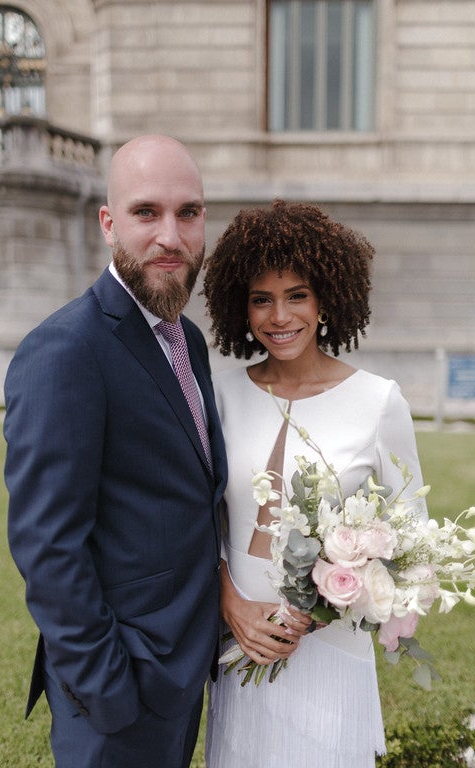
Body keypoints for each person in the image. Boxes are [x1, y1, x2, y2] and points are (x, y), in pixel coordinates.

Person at [4, 134, 227, 768]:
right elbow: (48, 547)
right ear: (108, 223)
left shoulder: (186, 338)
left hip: (180, 671)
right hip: (117, 693)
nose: (171, 236)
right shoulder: (65, 350)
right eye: (145, 212)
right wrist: (109, 690)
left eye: (189, 212)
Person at [202, 200, 427, 768]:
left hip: (330, 650)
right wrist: (231, 605)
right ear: (241, 306)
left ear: (326, 297)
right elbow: (201, 524)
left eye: (296, 294)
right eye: (261, 299)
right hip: (241, 645)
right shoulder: (219, 396)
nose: (279, 316)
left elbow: (412, 542)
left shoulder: (379, 402)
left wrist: (324, 603)